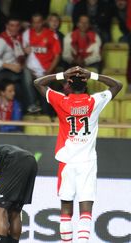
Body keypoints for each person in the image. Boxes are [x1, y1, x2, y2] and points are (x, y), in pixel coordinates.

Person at [33, 66, 122, 243]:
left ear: (68, 84)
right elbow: (117, 85)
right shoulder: (95, 101)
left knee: (66, 210)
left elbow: (37, 83)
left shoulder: (61, 100)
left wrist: (61, 75)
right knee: (86, 210)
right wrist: (93, 75)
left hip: (67, 161)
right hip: (87, 162)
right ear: (86, 83)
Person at [23, 13, 62, 114]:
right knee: (25, 75)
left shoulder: (51, 35)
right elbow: (21, 55)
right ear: (31, 23)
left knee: (46, 92)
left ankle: (46, 115)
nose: (36, 25)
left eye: (39, 22)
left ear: (43, 22)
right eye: (34, 22)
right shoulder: (26, 34)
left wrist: (49, 72)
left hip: (46, 72)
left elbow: (57, 56)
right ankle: (32, 104)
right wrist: (24, 52)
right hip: (30, 72)